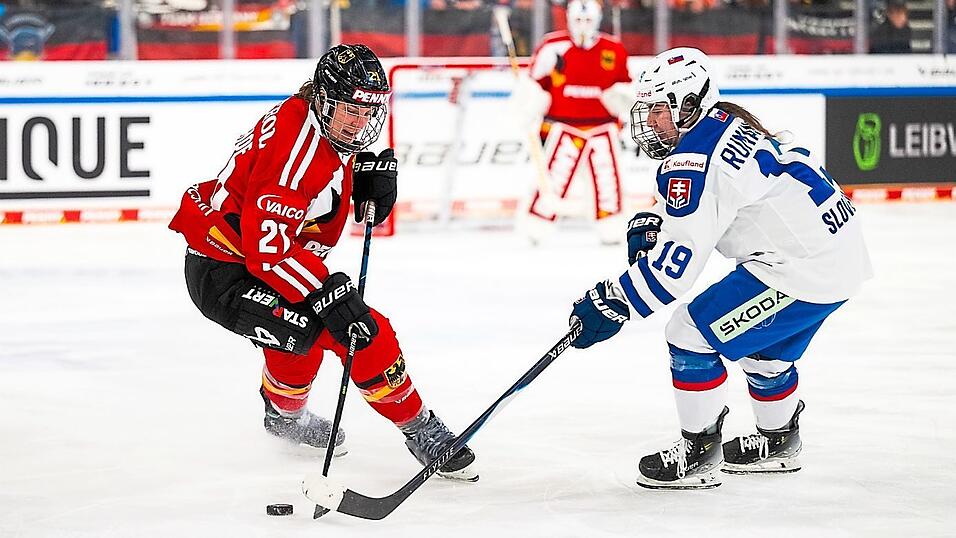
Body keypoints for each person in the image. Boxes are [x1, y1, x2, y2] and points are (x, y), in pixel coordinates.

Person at [168, 43, 478, 482]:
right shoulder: (295, 152)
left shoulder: (317, 118)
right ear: (326, 100)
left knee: (301, 334)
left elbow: (312, 190)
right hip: (226, 272)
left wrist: (357, 182)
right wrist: (327, 292)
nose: (361, 121)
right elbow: (268, 250)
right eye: (352, 108)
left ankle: (283, 415)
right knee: (356, 328)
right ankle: (419, 428)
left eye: (369, 109)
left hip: (256, 254)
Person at [567, 47, 872, 489]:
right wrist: (657, 215)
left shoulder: (693, 161)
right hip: (837, 253)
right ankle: (780, 440)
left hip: (800, 269)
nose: (649, 121)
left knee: (688, 333)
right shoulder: (728, 123)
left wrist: (612, 301)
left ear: (689, 106)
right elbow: (716, 194)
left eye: (658, 110)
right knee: (764, 351)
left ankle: (698, 454)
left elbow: (674, 272)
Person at [514, 0, 632, 245]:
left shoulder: (614, 48)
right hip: (563, 127)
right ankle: (536, 226)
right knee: (553, 180)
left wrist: (621, 101)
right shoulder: (552, 46)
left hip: (603, 128)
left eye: (588, 21)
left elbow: (624, 86)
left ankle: (611, 227)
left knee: (607, 183)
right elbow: (535, 85)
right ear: (568, 19)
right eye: (578, 20)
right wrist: (528, 105)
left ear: (598, 20)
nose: (583, 26)